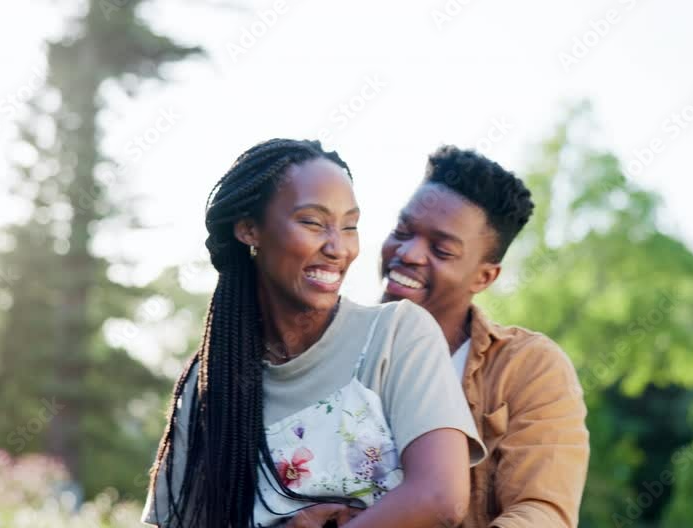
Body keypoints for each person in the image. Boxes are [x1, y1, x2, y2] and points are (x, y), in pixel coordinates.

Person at [140, 138, 485, 528]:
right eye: (313, 223)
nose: (338, 248)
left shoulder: (397, 335)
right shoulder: (208, 380)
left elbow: (440, 498)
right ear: (249, 229)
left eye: (350, 226)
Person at [379, 145, 590, 527]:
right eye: (402, 231)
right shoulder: (333, 342)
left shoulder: (529, 367)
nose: (408, 253)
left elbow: (542, 511)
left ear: (484, 277)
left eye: (441, 250)